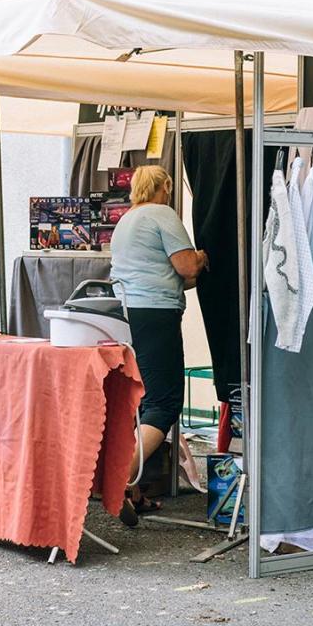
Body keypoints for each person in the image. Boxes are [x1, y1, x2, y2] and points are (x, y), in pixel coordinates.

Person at [110, 165, 208, 526]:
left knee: (146, 400)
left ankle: (137, 492)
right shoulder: (162, 214)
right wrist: (202, 257)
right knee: (165, 403)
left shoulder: (126, 220)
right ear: (165, 186)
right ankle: (122, 478)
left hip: (132, 312)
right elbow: (185, 267)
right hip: (159, 312)